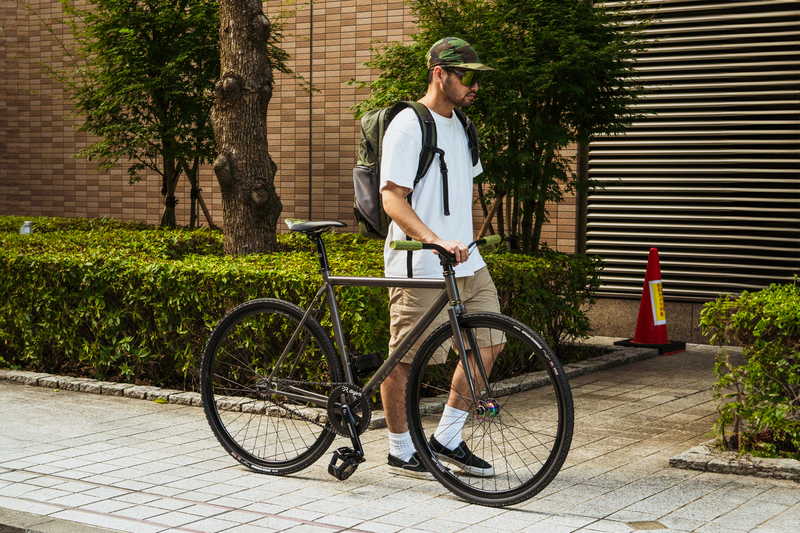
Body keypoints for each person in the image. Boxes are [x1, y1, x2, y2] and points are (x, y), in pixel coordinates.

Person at [379, 37, 501, 478]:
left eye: (477, 79)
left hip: (465, 261)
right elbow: (392, 199)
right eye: (467, 76)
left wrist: (464, 240)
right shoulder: (409, 124)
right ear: (439, 73)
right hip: (420, 264)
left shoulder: (464, 127)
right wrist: (434, 240)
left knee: (489, 344)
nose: (474, 87)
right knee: (405, 361)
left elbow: (460, 196)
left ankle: (447, 438)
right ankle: (399, 449)